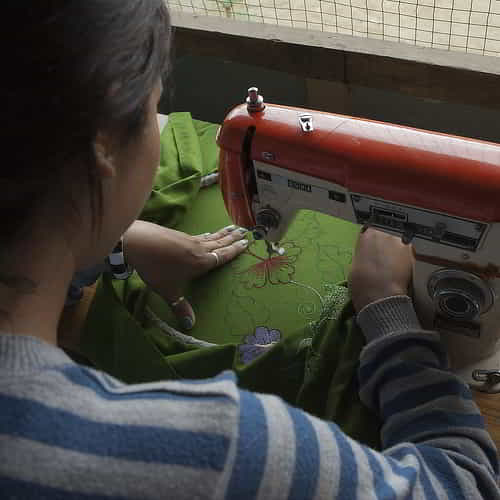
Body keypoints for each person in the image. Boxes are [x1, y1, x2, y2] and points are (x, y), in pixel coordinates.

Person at [0, 1, 498, 498]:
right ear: (102, 148)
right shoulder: (224, 455)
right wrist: (390, 317)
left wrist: (119, 241)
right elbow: (463, 479)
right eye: (154, 109)